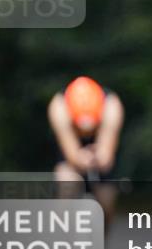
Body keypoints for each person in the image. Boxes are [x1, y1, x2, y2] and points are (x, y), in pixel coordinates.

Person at [49, 76, 123, 225]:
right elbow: (71, 153)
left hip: (99, 148)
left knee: (107, 202)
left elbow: (106, 156)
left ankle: (100, 242)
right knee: (66, 186)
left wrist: (99, 157)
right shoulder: (59, 106)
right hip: (71, 150)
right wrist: (80, 159)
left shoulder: (111, 105)